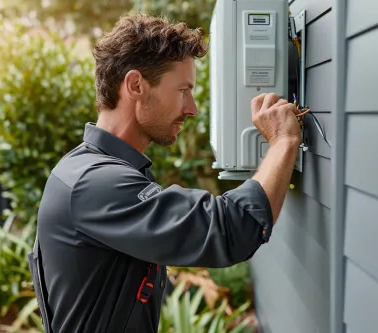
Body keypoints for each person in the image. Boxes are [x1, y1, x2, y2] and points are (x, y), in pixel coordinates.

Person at [31, 13, 301, 333]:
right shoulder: (95, 183)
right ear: (136, 85)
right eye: (183, 90)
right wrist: (283, 142)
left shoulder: (84, 168)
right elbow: (232, 229)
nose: (192, 109)